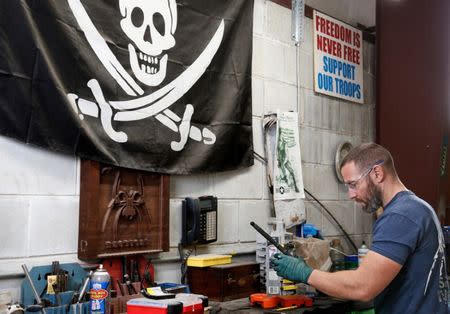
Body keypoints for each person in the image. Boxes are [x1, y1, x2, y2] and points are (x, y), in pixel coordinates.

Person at [272, 143, 449, 313]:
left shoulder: (401, 215)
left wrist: (304, 273)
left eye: (353, 184)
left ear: (377, 173)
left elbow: (363, 286)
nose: (351, 194)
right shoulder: (419, 207)